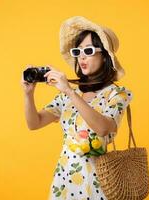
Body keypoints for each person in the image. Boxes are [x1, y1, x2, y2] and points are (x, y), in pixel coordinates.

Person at [21, 16, 133, 200]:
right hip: (65, 180)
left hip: (100, 182)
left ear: (105, 57)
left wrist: (70, 92)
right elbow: (35, 123)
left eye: (88, 50)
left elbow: (104, 128)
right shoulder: (68, 94)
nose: (81, 57)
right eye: (78, 51)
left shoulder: (117, 94)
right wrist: (28, 94)